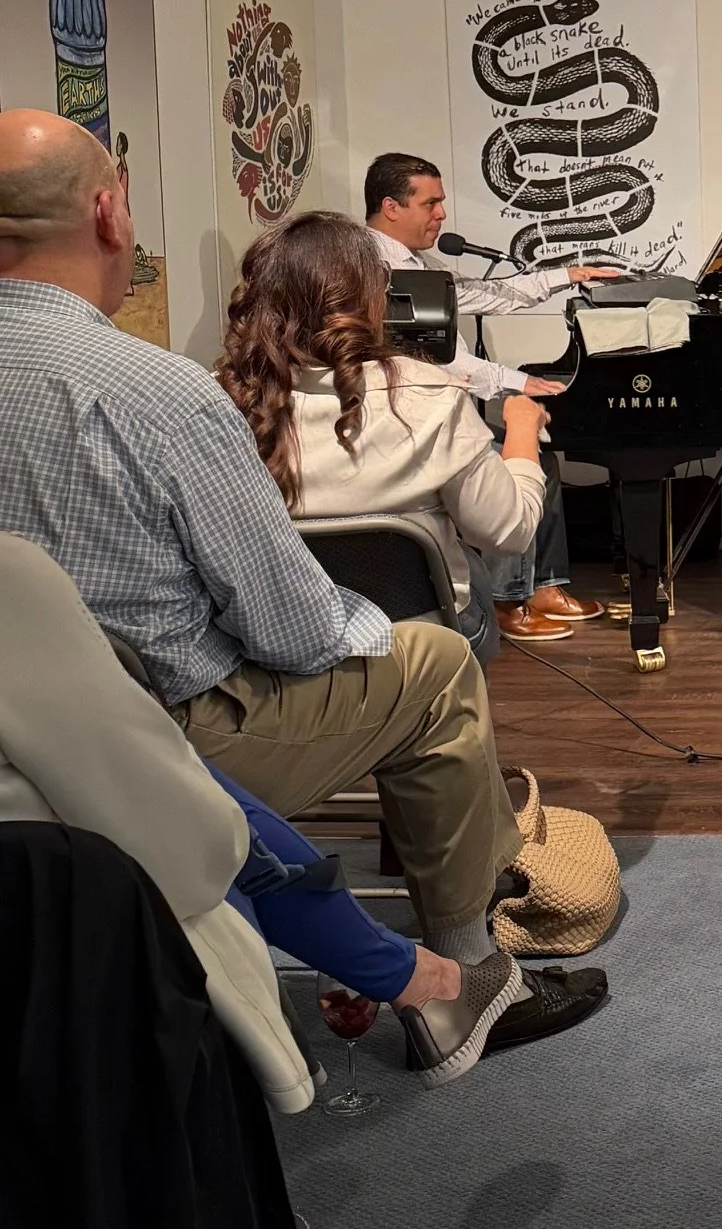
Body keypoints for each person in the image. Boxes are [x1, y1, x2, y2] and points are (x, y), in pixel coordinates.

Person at [0, 110, 607, 1059]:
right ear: (111, 213)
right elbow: (293, 631)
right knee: (439, 663)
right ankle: (468, 973)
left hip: (17, 757)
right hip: (159, 745)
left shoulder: (219, 392)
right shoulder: (152, 394)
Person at [0, 529, 511, 1089]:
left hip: (88, 801)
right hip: (113, 829)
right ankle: (455, 966)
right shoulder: (17, 575)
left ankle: (405, 985)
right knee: (443, 660)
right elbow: (294, 629)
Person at [215, 211, 548, 670]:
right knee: (472, 577)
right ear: (371, 298)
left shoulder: (220, 399)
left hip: (277, 643)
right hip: (418, 643)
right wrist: (524, 429)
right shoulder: (431, 396)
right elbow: (507, 532)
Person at [365, 151, 613, 642]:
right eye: (430, 203)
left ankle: (542, 585)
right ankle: (505, 600)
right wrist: (519, 383)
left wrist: (566, 276)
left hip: (435, 409)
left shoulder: (417, 264)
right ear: (392, 207)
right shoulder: (375, 267)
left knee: (541, 460)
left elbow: (488, 295)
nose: (441, 215)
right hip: (405, 420)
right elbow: (439, 362)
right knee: (507, 458)